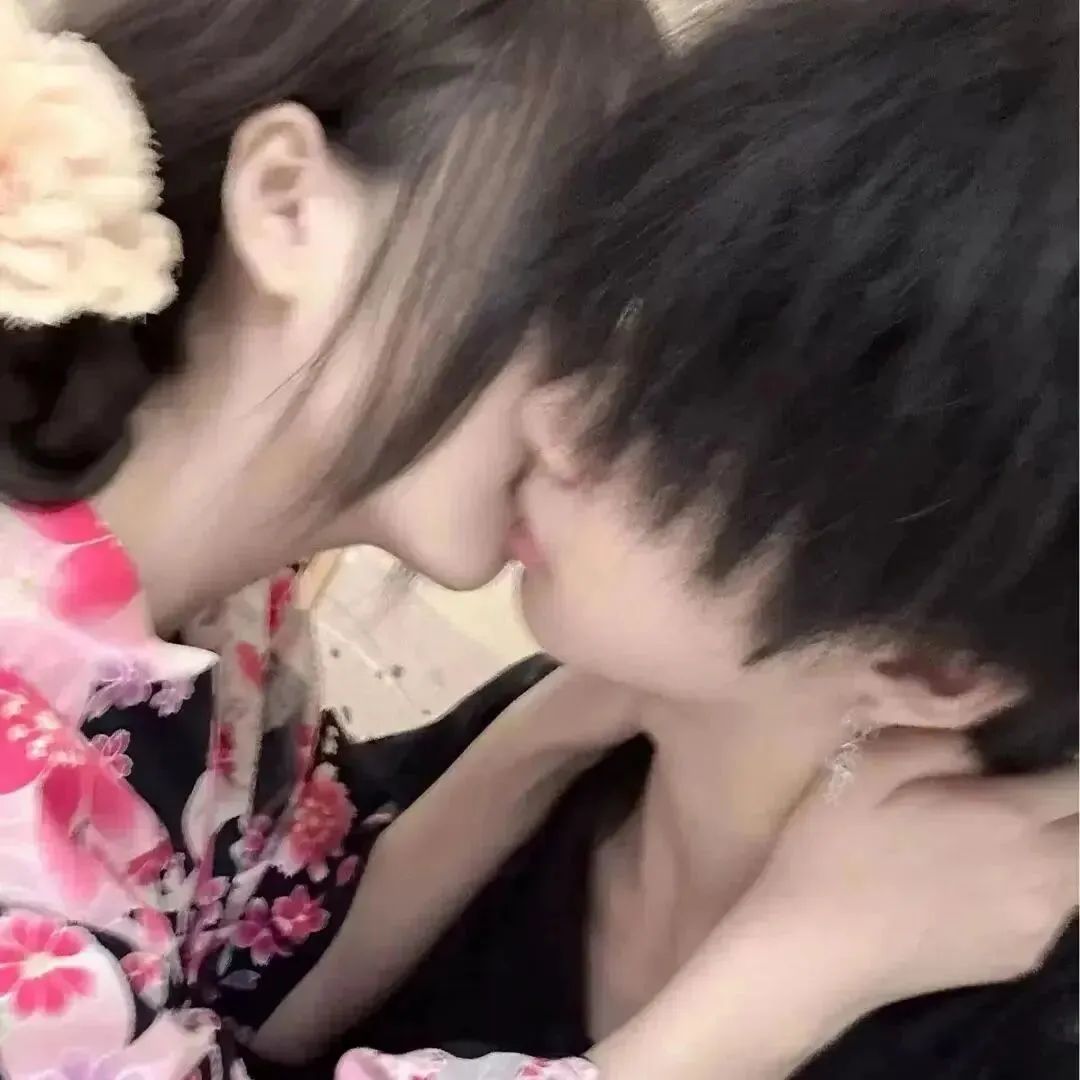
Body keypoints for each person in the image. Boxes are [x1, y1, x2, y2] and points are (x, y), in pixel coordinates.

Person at [330, 1, 1080, 1077]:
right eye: (614, 333)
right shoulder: (585, 728)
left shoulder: (1016, 1037)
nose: (552, 417)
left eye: (673, 432)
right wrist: (519, 754)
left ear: (932, 667)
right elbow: (223, 1012)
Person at [0, 0, 670, 1076]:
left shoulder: (223, 608)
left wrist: (582, 709)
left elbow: (271, 968)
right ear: (289, 206)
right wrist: (799, 971)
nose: (587, 421)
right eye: (573, 308)